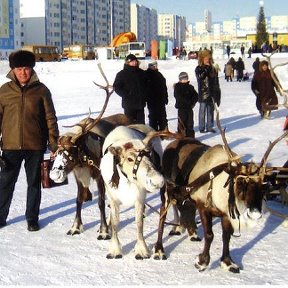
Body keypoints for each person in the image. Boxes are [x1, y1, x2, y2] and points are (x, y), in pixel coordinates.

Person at [0, 50, 59, 231]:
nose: (23, 73)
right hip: (10, 146)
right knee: (5, 183)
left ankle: (32, 218)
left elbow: (51, 118)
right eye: (19, 69)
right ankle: (1, 216)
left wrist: (54, 144)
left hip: (35, 146)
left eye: (26, 69)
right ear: (13, 70)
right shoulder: (4, 91)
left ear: (31, 69)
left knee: (33, 184)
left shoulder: (41, 90)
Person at [113, 54, 148, 124]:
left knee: (141, 126)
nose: (134, 63)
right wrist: (126, 94)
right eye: (132, 61)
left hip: (140, 105)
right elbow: (116, 87)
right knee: (130, 126)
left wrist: (145, 95)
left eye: (135, 61)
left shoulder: (141, 73)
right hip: (129, 105)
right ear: (127, 63)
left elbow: (147, 85)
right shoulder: (122, 74)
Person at [195, 49, 220, 133]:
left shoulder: (212, 69)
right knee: (202, 111)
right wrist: (206, 68)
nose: (207, 60)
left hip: (212, 93)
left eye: (208, 58)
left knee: (210, 112)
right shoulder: (199, 68)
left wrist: (217, 94)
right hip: (203, 93)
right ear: (202, 59)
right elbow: (201, 76)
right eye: (205, 58)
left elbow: (216, 82)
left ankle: (210, 127)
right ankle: (201, 127)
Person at [173, 72, 198, 138]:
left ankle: (190, 138)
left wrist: (193, 102)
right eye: (183, 79)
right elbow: (178, 96)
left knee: (190, 123)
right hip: (182, 108)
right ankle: (181, 137)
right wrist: (187, 101)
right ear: (180, 79)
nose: (184, 80)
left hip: (189, 108)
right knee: (182, 123)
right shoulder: (177, 87)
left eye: (186, 79)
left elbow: (196, 96)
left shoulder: (190, 87)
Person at [146, 61, 169, 131]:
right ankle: (154, 133)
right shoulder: (147, 75)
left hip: (161, 100)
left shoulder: (159, 75)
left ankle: (164, 133)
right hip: (152, 100)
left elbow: (164, 88)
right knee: (153, 117)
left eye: (156, 65)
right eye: (153, 66)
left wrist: (165, 97)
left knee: (162, 117)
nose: (155, 67)